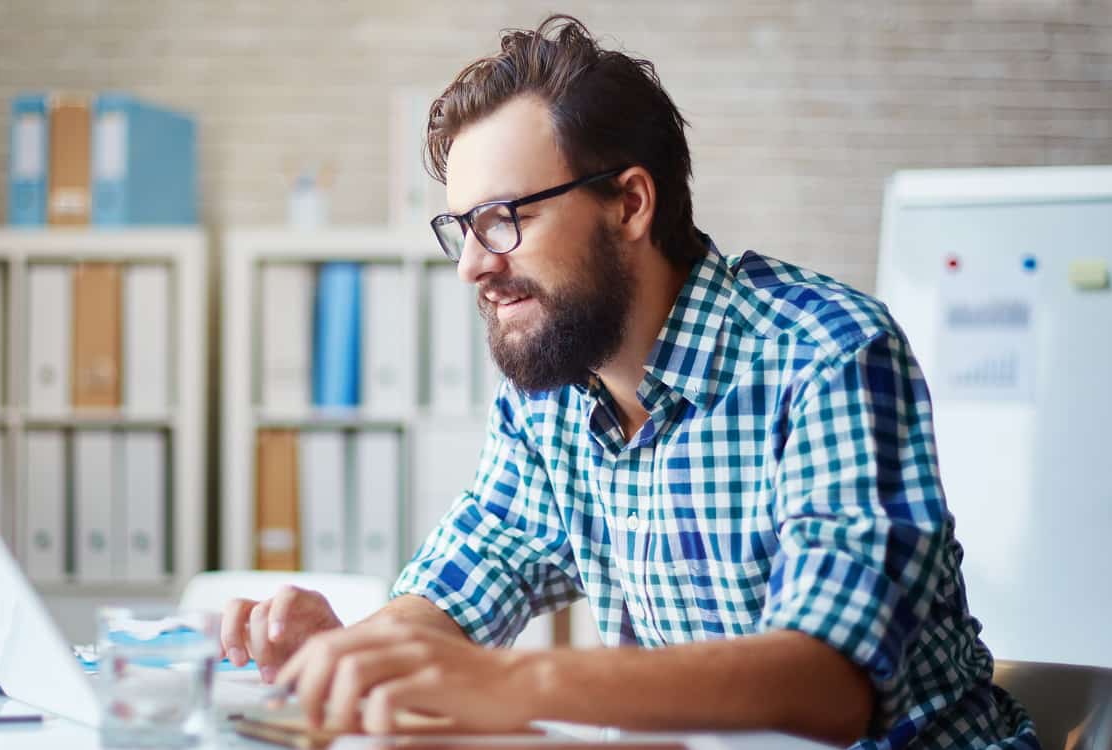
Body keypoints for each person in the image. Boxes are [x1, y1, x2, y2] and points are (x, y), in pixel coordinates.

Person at [221, 14, 1036, 750]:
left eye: (505, 217)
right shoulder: (553, 385)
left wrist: (513, 686)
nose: (472, 263)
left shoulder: (828, 352)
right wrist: (356, 654)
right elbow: (472, 577)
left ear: (630, 203)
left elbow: (830, 685)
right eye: (461, 229)